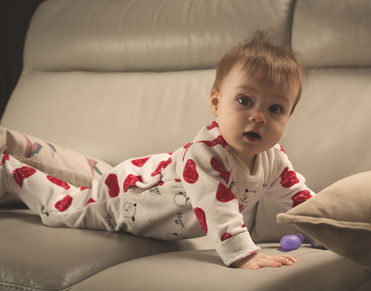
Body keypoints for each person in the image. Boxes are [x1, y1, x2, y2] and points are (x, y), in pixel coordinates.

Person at [0, 31, 314, 269]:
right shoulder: (206, 155)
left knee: (90, 177)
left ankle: (28, 150)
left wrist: (333, 233)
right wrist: (245, 256)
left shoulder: (274, 160)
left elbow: (302, 200)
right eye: (244, 101)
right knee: (60, 206)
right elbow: (217, 207)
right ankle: (8, 167)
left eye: (275, 108)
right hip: (122, 200)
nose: (259, 116)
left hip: (140, 178)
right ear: (216, 103)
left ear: (288, 117)